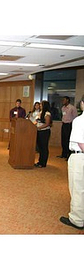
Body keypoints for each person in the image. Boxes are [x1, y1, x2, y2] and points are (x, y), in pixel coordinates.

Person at [60, 96, 84, 230]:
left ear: (82, 104)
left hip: (79, 157)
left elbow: (81, 143)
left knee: (77, 189)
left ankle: (77, 219)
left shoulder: (80, 121)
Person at [35, 100, 52, 168]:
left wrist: (39, 127)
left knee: (44, 147)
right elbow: (37, 121)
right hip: (39, 131)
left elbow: (47, 124)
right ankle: (40, 161)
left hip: (44, 132)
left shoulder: (47, 113)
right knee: (40, 147)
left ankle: (43, 162)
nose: (40, 106)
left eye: (41, 105)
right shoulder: (40, 112)